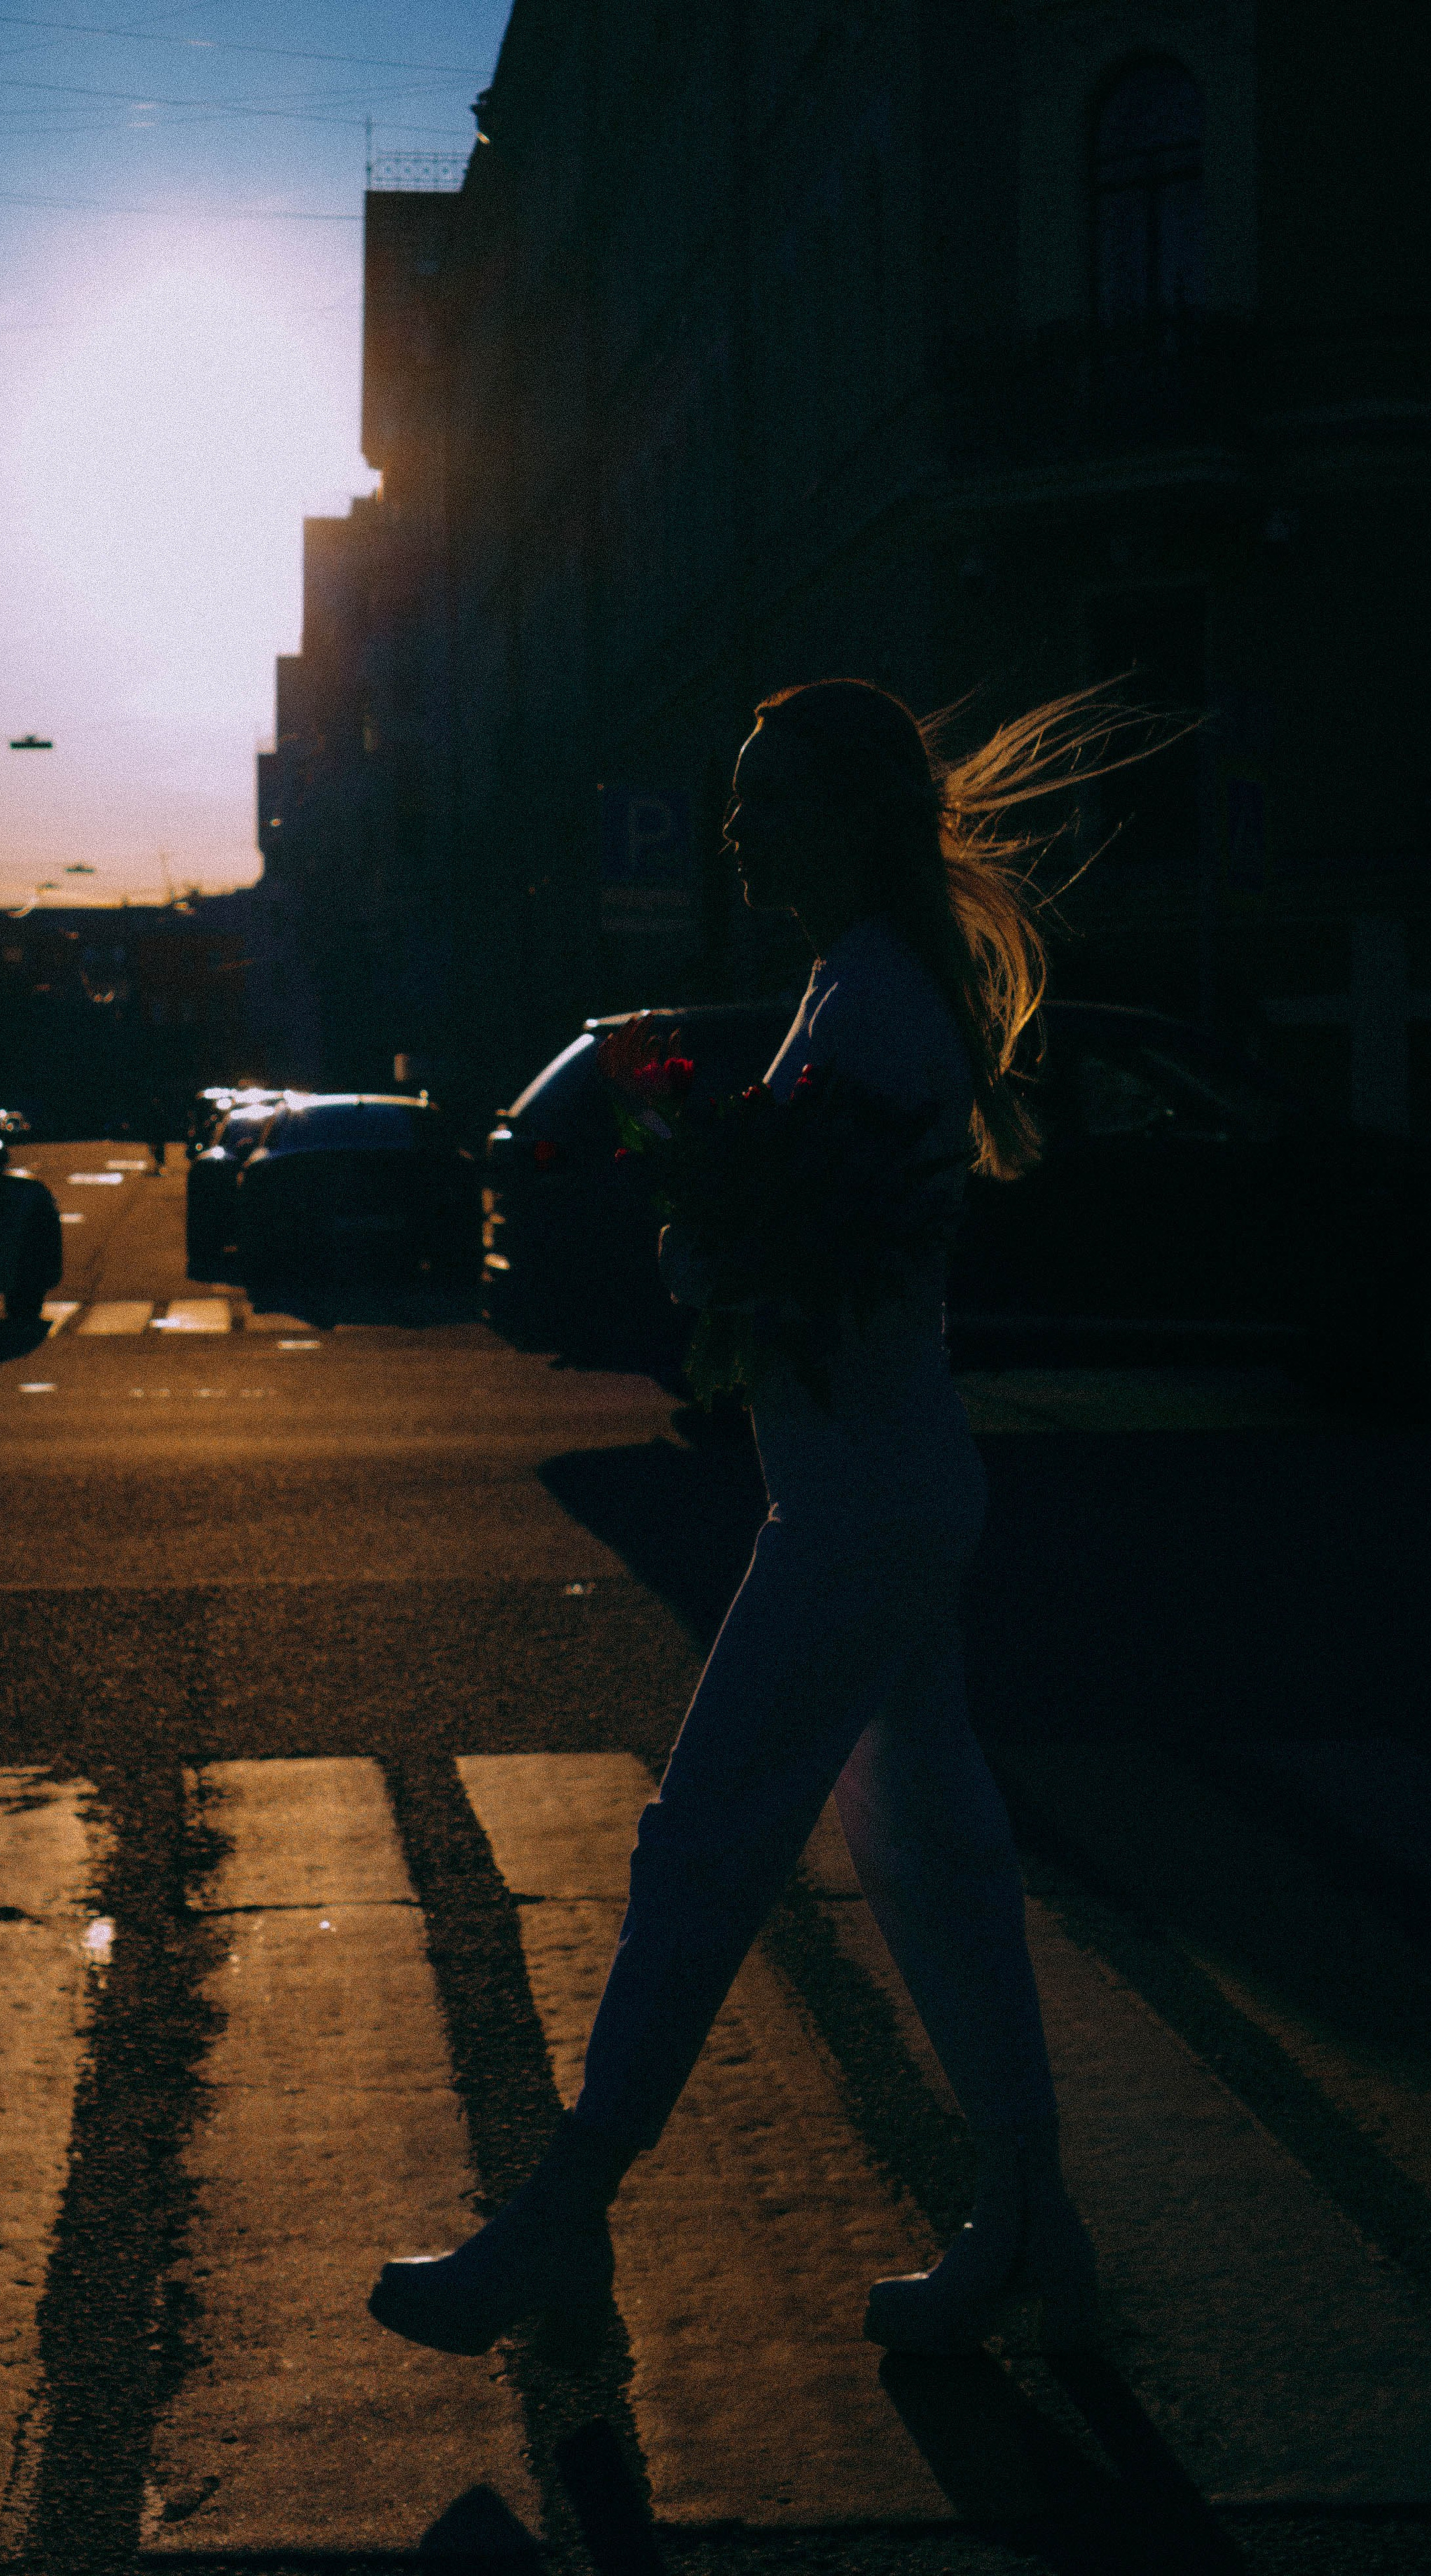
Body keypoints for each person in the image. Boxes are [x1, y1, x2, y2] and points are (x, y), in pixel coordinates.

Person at [370, 678, 1137, 2361]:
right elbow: (805, 1224)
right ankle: (1027, 2224)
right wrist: (694, 1169)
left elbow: (795, 1259)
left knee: (703, 1842)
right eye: (737, 796)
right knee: (937, 1860)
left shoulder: (867, 1004)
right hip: (876, 1483)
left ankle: (562, 2225)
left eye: (768, 798)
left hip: (857, 1503)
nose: (737, 828)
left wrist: (696, 1230)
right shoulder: (856, 987)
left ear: (854, 816)